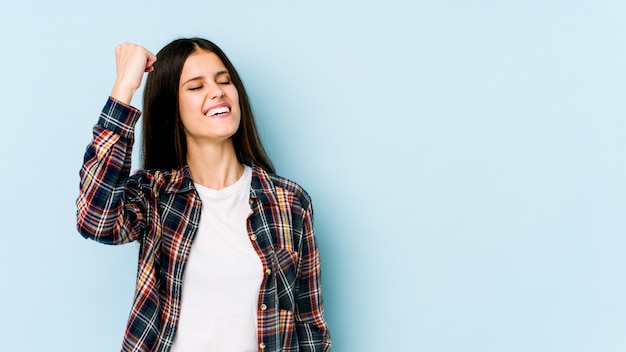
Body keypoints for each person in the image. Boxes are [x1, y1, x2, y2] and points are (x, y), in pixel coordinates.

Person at [76, 37, 331, 352]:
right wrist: (124, 88)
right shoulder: (155, 194)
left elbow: (310, 329)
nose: (217, 91)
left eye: (224, 81)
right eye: (195, 87)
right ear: (172, 109)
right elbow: (95, 220)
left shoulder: (288, 202)